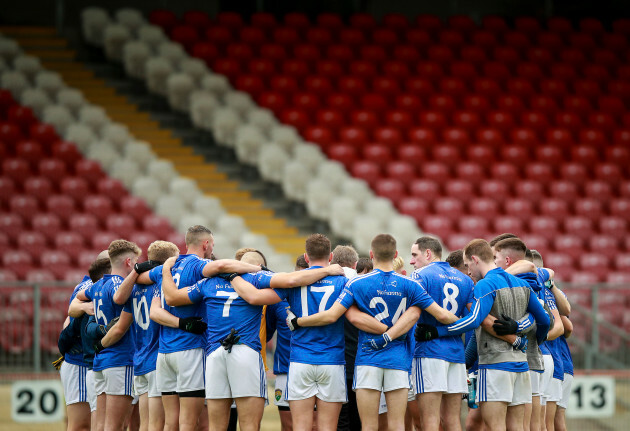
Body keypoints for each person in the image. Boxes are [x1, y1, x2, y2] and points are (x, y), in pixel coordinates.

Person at [159, 246, 345, 431]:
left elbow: (172, 298)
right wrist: (327, 270)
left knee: (216, 426)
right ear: (257, 266)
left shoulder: (208, 283)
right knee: (249, 425)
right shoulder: (256, 278)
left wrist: (166, 269)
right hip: (244, 351)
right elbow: (292, 279)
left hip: (215, 354)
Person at [292, 234, 459, 431]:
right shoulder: (411, 284)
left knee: (369, 426)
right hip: (398, 360)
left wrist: (297, 321)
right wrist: (471, 321)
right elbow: (442, 315)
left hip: (368, 359)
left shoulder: (356, 283)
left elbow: (337, 315)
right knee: (397, 424)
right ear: (395, 254)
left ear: (371, 254)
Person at [122, 225, 261, 431]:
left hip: (164, 352)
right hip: (190, 348)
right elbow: (221, 266)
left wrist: (141, 269)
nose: (212, 248)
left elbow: (140, 280)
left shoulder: (165, 269)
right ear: (206, 244)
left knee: (170, 422)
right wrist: (257, 269)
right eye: (212, 244)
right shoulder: (198, 266)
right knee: (188, 422)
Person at [415, 239, 551, 431]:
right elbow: (544, 319)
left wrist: (437, 331)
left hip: (495, 364)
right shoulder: (522, 284)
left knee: (494, 426)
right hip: (521, 365)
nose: (468, 271)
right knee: (518, 427)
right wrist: (524, 330)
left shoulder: (485, 285)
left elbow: (473, 320)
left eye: (468, 265)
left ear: (474, 259)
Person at [73, 240, 142, 431]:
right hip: (120, 359)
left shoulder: (98, 284)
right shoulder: (120, 285)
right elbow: (119, 303)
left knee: (102, 425)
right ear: (129, 262)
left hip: (100, 362)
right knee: (116, 426)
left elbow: (80, 296)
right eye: (136, 261)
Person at [114, 241, 180, 431]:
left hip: (140, 359)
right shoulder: (161, 283)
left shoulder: (134, 287)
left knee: (146, 424)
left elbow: (119, 300)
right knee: (160, 424)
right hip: (157, 360)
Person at [409, 237, 474, 431]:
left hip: (429, 353)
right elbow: (472, 320)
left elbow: (411, 315)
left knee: (429, 421)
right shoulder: (464, 279)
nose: (412, 261)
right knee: (453, 420)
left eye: (414, 255)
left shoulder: (420, 276)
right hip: (456, 354)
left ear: (428, 253)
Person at [59, 251, 109, 431]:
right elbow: (72, 311)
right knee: (81, 425)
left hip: (100, 362)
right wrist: (83, 306)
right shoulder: (87, 286)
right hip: (80, 361)